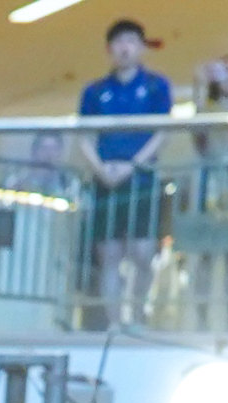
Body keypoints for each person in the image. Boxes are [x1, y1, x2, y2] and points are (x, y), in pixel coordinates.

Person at [79, 18, 173, 326]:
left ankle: (137, 314)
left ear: (141, 47)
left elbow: (161, 131)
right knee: (109, 255)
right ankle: (115, 321)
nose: (125, 48)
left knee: (143, 252)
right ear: (109, 49)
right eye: (119, 42)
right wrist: (100, 169)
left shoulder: (157, 86)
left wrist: (133, 165)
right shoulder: (95, 92)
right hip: (105, 180)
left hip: (141, 179)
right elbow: (84, 136)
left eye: (132, 41)